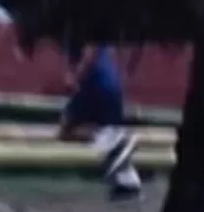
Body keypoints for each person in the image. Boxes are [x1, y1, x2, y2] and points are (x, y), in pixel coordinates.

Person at [58, 45, 142, 198]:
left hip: (95, 81)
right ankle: (128, 182)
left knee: (66, 130)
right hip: (111, 84)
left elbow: (89, 50)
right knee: (107, 130)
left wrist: (76, 76)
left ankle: (110, 139)